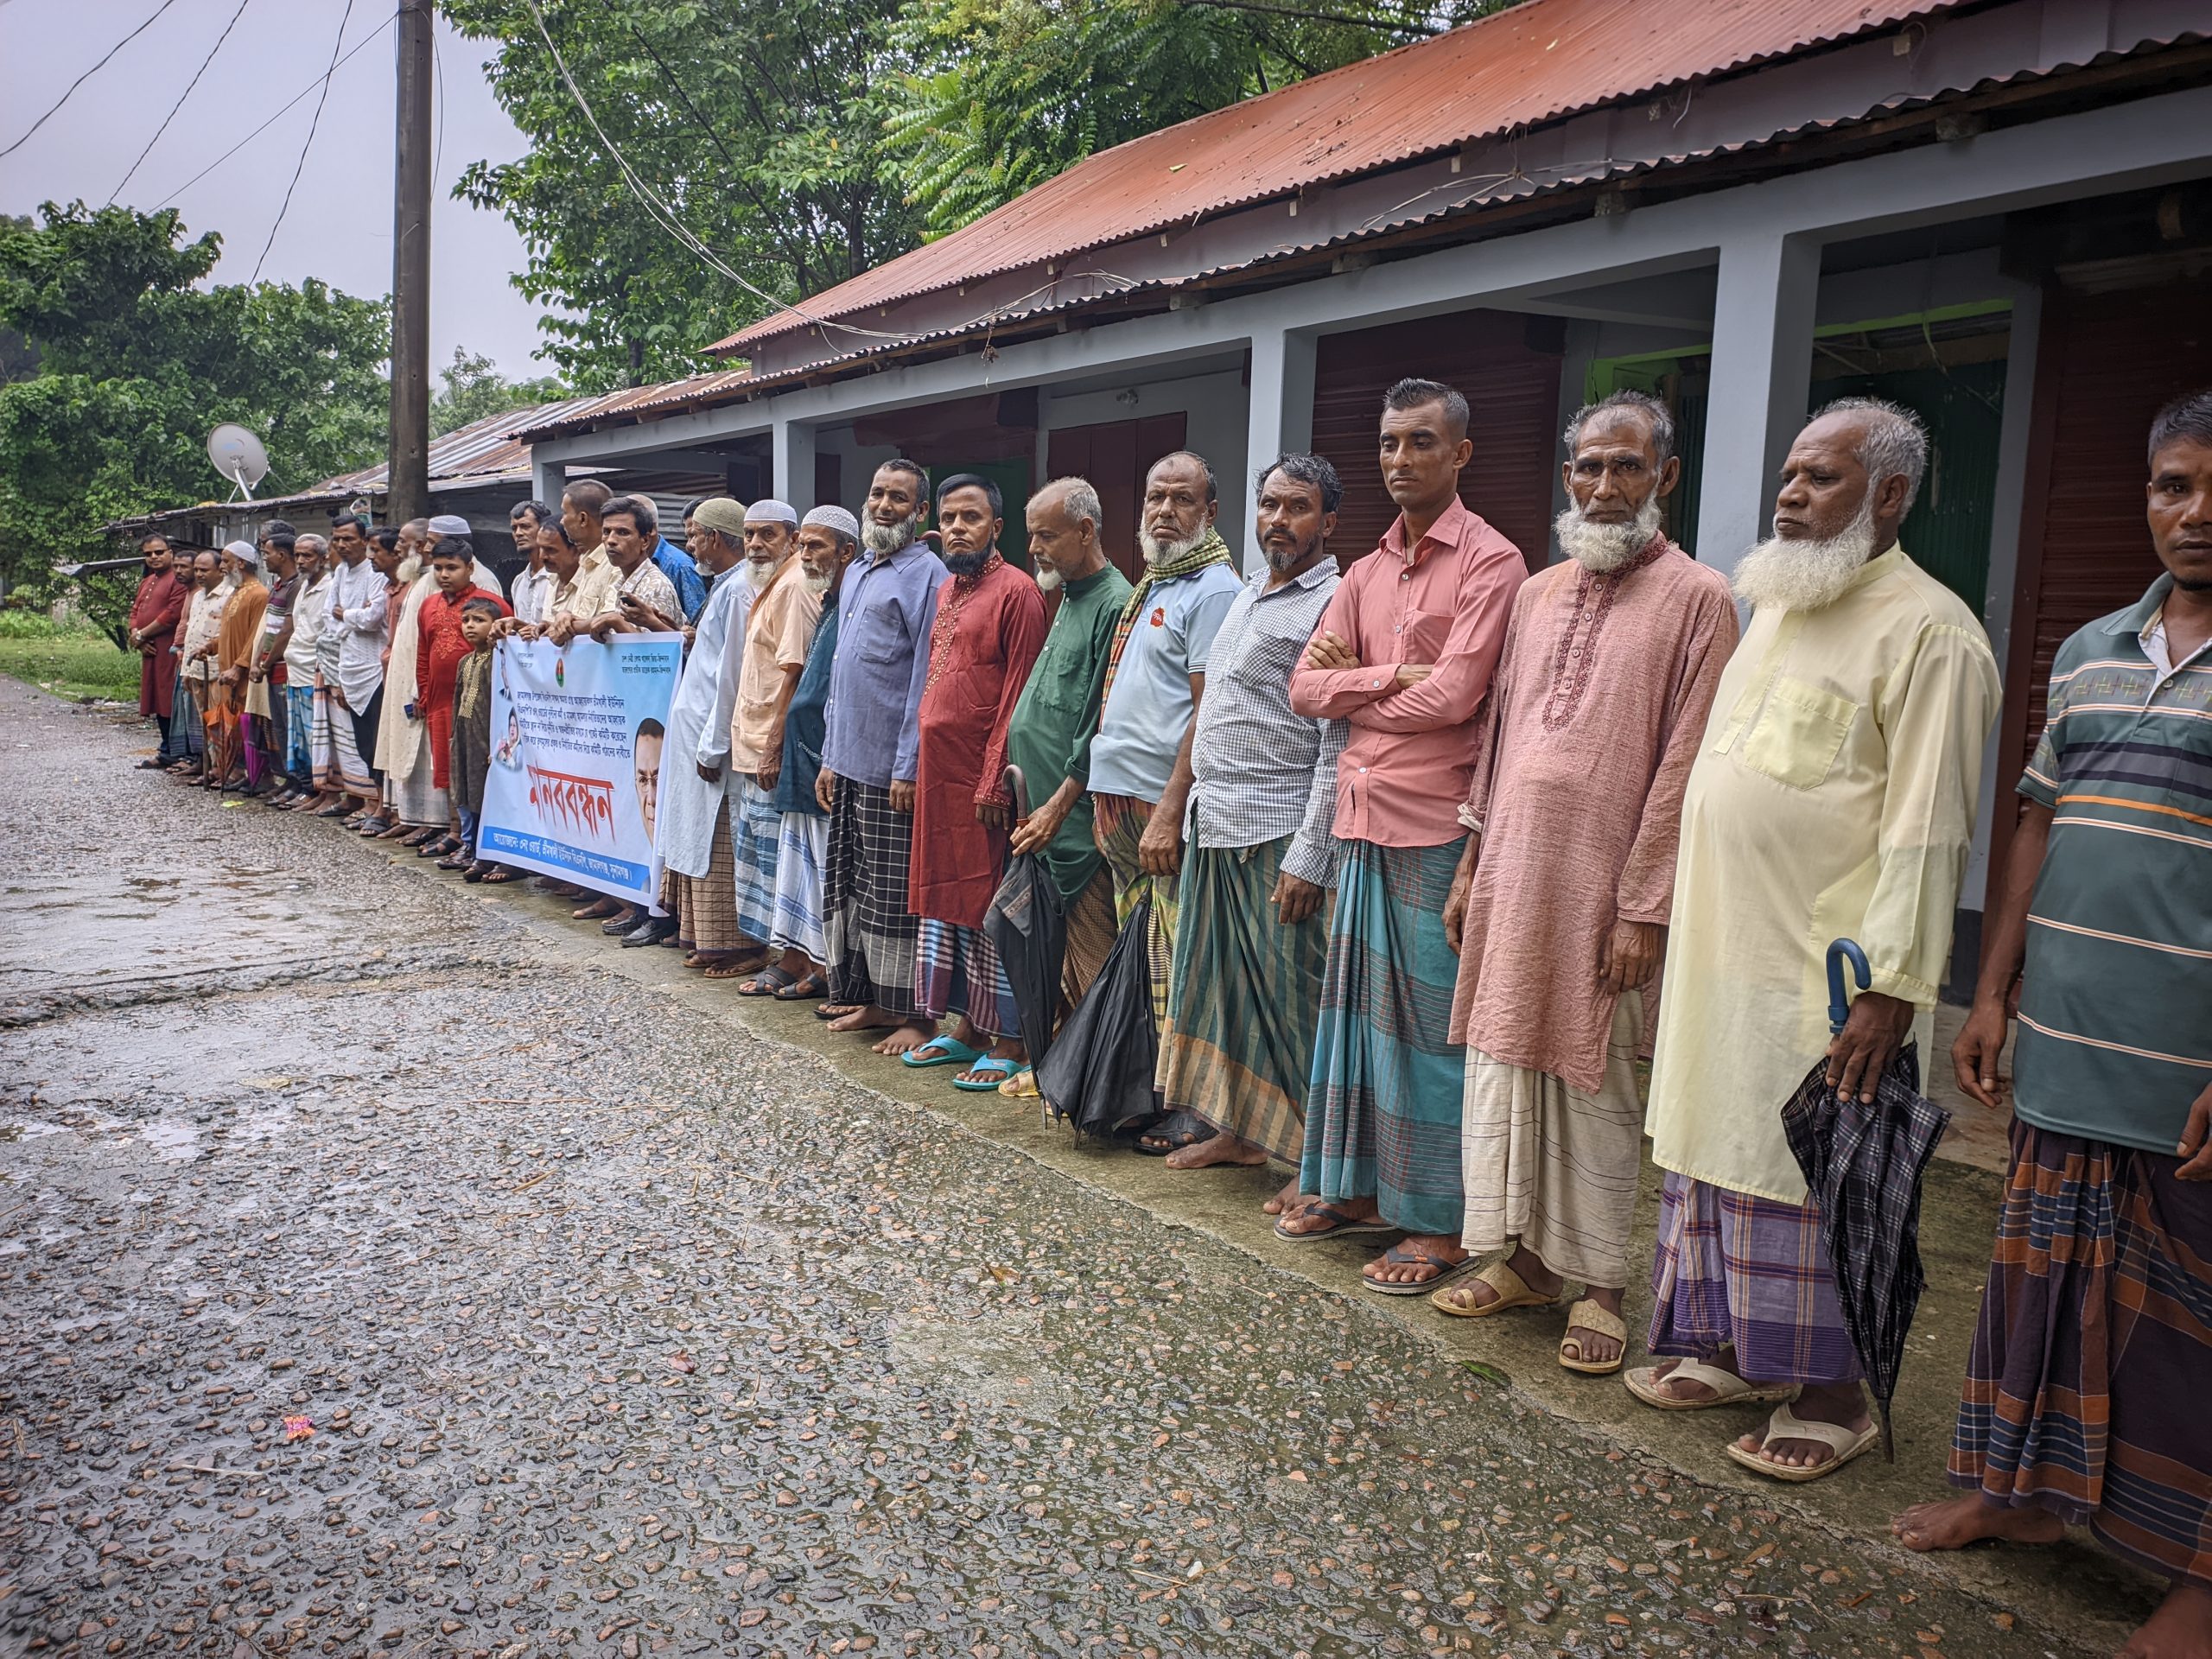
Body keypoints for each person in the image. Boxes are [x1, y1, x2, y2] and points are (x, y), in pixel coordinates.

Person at [1891, 391, 2212, 1651]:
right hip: (2068, 1041)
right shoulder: (2089, 651)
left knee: (2186, 1324)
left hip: (2185, 1070)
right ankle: (2016, 1493)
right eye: (2173, 484)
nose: (2195, 513)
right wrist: (1992, 987)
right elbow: (2037, 817)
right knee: (2041, 1287)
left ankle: (2199, 1577)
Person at [1628, 398, 2000, 1479]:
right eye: (1790, 475)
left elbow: (1931, 831)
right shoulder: (1781, 606)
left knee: (1811, 1171)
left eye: (1821, 478)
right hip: (1721, 957)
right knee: (1715, 1149)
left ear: (1887, 495)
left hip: (1824, 977)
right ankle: (1738, 1352)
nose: (1790, 495)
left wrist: (1891, 986)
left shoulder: (1933, 633)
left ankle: (1836, 1396)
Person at [1431, 392, 1737, 1373]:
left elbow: (1685, 765)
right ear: (1566, 479)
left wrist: (1644, 907)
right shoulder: (1536, 594)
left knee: (1593, 1076)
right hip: (1514, 872)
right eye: (1587, 469)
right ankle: (1521, 1258)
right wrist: (1471, 862)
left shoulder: (1700, 598)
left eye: (1626, 469)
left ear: (1666, 479)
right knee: (1507, 1061)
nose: (1603, 488)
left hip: (1608, 890)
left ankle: (1602, 1285)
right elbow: (1501, 737)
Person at [1283, 378, 1523, 1292]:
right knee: (1352, 1025)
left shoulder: (1491, 563)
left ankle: (1441, 1222)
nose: (1399, 461)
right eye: (1387, 444)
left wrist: (1361, 690)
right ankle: (1355, 1188)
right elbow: (1304, 691)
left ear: (1459, 454)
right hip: (1360, 821)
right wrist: (1391, 680)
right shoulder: (1362, 572)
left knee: (1427, 1036)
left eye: (1419, 443)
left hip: (1433, 826)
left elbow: (1458, 695)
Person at [1156, 454, 1348, 1192]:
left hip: (1278, 825)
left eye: (1297, 508)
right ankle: (1238, 1132)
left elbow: (1337, 742)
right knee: (1220, 989)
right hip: (1217, 819)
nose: (1278, 520)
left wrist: (1312, 854)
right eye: (1269, 504)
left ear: (1327, 522)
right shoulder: (1245, 593)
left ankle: (1314, 1159)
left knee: (1292, 996)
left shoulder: (1335, 602)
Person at [1081, 450, 1243, 1077]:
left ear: (1210, 513)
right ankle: (1147, 1086)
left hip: (1160, 811)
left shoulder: (1214, 589)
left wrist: (1171, 811)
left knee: (1178, 963)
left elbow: (1208, 712)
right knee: (1142, 958)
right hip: (1120, 803)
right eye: (1156, 498)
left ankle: (1187, 1099)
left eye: (1182, 500)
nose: (1165, 512)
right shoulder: (1157, 581)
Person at [903, 474, 1048, 1089]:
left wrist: (993, 781)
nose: (958, 528)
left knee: (990, 905)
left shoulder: (1017, 592)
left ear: (997, 527)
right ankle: (966, 1024)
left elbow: (1020, 691)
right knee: (948, 903)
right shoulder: (945, 590)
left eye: (972, 517)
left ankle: (1011, 1036)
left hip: (981, 785)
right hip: (940, 781)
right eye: (950, 518)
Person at [816, 461, 948, 1053]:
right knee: (853, 886)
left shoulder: (928, 576)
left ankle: (915, 1015)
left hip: (890, 767)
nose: (885, 506)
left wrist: (907, 766)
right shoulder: (859, 570)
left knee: (895, 894)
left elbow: (926, 676)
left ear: (920, 513)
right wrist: (827, 756)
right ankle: (869, 998)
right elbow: (844, 674)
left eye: (900, 498)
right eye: (877, 494)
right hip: (847, 760)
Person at [1006, 480, 1134, 1027]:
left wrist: (1058, 806)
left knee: (1092, 961)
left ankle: (1106, 1089)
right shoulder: (1068, 594)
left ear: (1086, 532)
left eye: (1045, 536)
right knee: (1057, 963)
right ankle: (1069, 1075)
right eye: (1031, 535)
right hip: (1042, 819)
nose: (1034, 548)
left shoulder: (1114, 602)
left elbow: (1100, 722)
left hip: (1073, 824)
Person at [645, 498, 753, 966]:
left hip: (715, 738)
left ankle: (729, 944)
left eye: (694, 535)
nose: (689, 544)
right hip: (697, 730)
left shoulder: (739, 590)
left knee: (716, 838)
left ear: (713, 538)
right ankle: (700, 934)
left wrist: (714, 745)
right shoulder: (725, 586)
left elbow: (730, 675)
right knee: (694, 833)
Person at [764, 506, 861, 1003]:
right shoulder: (827, 599)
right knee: (800, 861)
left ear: (847, 551)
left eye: (816, 546)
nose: (805, 554)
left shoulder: (855, 599)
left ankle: (828, 964)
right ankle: (802, 955)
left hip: (830, 754)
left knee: (828, 863)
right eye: (802, 545)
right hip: (805, 752)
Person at [722, 499, 817, 988]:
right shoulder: (769, 584)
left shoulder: (795, 585)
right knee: (761, 856)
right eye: (749, 535)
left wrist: (775, 744)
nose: (756, 544)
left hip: (771, 747)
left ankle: (799, 961)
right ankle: (786, 956)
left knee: (781, 860)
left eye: (767, 535)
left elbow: (796, 670)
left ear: (793, 538)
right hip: (753, 741)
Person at [416, 532, 510, 865]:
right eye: (438, 568)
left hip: (486, 715)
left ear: (469, 568)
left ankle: (482, 846)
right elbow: (424, 654)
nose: (443, 575)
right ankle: (458, 835)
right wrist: (423, 694)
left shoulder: (491, 603)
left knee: (482, 782)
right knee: (453, 772)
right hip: (445, 704)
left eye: (451, 568)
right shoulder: (429, 604)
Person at [374, 515, 461, 847]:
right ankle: (411, 818)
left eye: (423, 541)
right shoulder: (421, 580)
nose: (417, 548)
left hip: (440, 690)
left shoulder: (471, 580)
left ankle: (438, 824)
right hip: (410, 680)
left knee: (433, 758)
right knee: (408, 751)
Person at [323, 513, 388, 823]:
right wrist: (352, 616)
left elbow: (374, 618)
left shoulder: (376, 573)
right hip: (348, 666)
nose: (342, 544)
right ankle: (374, 802)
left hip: (375, 669)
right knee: (361, 742)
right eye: (337, 539)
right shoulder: (339, 572)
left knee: (377, 742)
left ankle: (381, 805)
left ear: (364, 540)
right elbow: (328, 616)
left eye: (349, 538)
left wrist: (345, 615)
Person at [449, 595, 508, 880]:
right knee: (468, 793)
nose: (470, 626)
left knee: (489, 797)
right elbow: (459, 701)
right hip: (465, 737)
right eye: (466, 621)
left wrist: (498, 742)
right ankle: (474, 850)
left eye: (479, 621)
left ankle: (494, 856)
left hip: (488, 740)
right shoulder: (464, 662)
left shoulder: (500, 661)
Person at [208, 540, 270, 792]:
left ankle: (259, 776)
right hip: (228, 672)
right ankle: (239, 771)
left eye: (226, 561)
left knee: (250, 726)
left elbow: (256, 636)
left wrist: (239, 666)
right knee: (231, 726)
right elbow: (230, 633)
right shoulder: (236, 591)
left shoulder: (259, 594)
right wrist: (211, 647)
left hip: (243, 675)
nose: (222, 566)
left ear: (241, 564)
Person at [283, 536, 339, 814]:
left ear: (323, 558)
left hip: (314, 671)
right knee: (301, 740)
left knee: (318, 737)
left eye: (307, 555)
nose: (302, 561)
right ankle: (309, 788)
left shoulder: (329, 588)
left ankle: (325, 792)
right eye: (298, 555)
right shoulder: (303, 585)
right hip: (296, 670)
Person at [243, 527, 301, 799]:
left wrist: (265, 664)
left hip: (283, 669)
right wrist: (257, 661)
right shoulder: (277, 586)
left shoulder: (296, 586)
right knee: (278, 727)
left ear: (282, 555)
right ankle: (287, 781)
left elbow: (286, 632)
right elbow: (267, 630)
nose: (264, 558)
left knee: (289, 728)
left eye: (267, 553)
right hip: (268, 667)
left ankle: (297, 782)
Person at [125, 532, 188, 768]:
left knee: (169, 699)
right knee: (156, 699)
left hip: (169, 649)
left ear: (170, 552)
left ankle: (176, 752)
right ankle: (166, 750)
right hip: (150, 650)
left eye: (159, 552)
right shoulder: (147, 581)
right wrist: (136, 635)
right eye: (148, 554)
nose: (153, 557)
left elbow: (171, 615)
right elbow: (135, 611)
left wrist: (143, 634)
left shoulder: (177, 579)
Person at [174, 548, 229, 784]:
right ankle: (211, 767)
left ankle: (223, 768)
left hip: (216, 669)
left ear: (219, 570)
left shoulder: (228, 596)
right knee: (204, 721)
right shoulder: (197, 596)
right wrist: (186, 670)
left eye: (204, 570)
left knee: (220, 721)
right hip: (195, 668)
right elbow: (190, 635)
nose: (199, 574)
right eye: (196, 569)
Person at [642, 493, 708, 621]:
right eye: (607, 531)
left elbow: (696, 627)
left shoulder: (681, 566)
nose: (612, 540)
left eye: (624, 532)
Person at [509, 500, 556, 627]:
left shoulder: (557, 579)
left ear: (543, 529)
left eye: (525, 526)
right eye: (514, 528)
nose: (518, 533)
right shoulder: (518, 582)